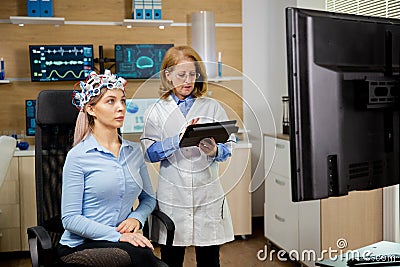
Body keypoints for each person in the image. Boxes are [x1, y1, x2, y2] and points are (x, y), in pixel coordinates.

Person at [57, 70, 168, 267]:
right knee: (139, 257)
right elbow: (70, 219)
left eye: (123, 101)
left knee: (141, 256)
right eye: (111, 101)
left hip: (123, 243)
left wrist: (137, 218)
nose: (121, 108)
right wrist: (118, 236)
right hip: (82, 246)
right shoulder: (78, 157)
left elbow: (148, 198)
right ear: (91, 109)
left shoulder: (134, 152)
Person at [140, 46, 235, 267]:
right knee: (172, 259)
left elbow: (229, 144)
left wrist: (215, 151)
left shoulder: (211, 106)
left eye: (193, 74)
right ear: (168, 75)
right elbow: (149, 152)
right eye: (182, 75)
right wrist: (178, 140)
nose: (188, 80)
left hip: (207, 191)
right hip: (173, 195)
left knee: (210, 260)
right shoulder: (156, 110)